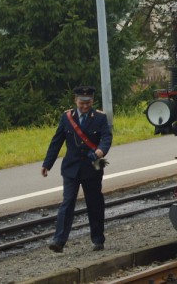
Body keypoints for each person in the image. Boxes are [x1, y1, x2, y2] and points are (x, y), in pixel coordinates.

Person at [41, 85, 113, 252]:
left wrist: (100, 151)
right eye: (82, 102)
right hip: (71, 168)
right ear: (76, 100)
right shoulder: (67, 117)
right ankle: (59, 241)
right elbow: (56, 141)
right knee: (67, 203)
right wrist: (47, 164)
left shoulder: (100, 118)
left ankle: (98, 240)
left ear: (92, 101)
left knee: (94, 204)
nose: (85, 106)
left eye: (88, 102)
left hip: (92, 167)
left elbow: (106, 137)